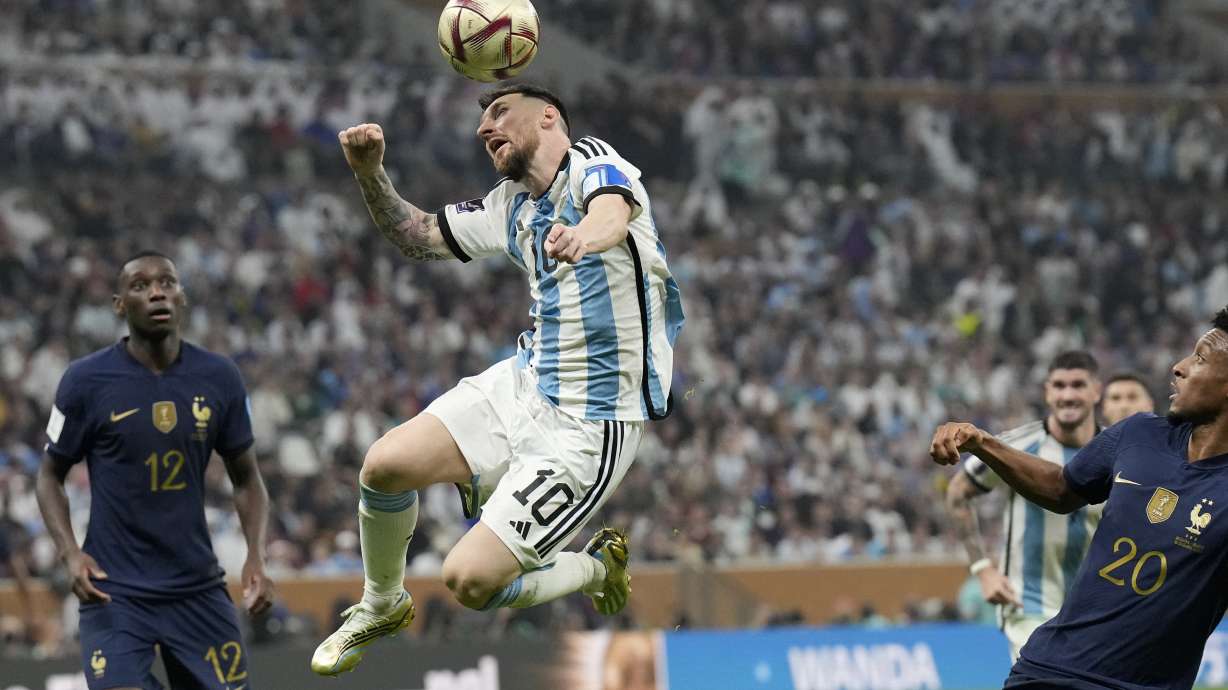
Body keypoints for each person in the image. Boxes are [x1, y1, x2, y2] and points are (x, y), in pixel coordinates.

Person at [311, 82, 684, 676]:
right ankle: (382, 603)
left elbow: (611, 214)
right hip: (525, 382)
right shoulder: (507, 204)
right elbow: (416, 235)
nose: (486, 128)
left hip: (590, 427)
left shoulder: (595, 162)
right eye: (483, 119)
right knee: (383, 466)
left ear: (548, 117)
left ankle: (592, 566)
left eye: (499, 113)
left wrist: (580, 238)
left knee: (470, 581)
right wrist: (368, 172)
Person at [930, 306, 1228, 690]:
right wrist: (980, 441)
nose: (1179, 366)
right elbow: (1060, 488)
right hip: (1051, 669)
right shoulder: (1138, 434)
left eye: (1200, 358)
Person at [35, 251, 273, 690]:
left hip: (197, 589)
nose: (157, 292)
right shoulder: (85, 381)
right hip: (115, 590)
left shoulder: (219, 378)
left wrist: (256, 555)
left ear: (181, 297)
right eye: (140, 286)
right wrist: (69, 552)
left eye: (166, 282)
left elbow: (248, 480)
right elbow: (49, 475)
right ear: (119, 304)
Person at [944, 351, 1103, 661]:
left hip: (1097, 607)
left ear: (1096, 391)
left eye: (1077, 385)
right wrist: (982, 569)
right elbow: (957, 493)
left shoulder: (1115, 449)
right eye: (1059, 386)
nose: (1067, 395)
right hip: (1029, 604)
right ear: (1047, 392)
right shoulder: (1016, 446)